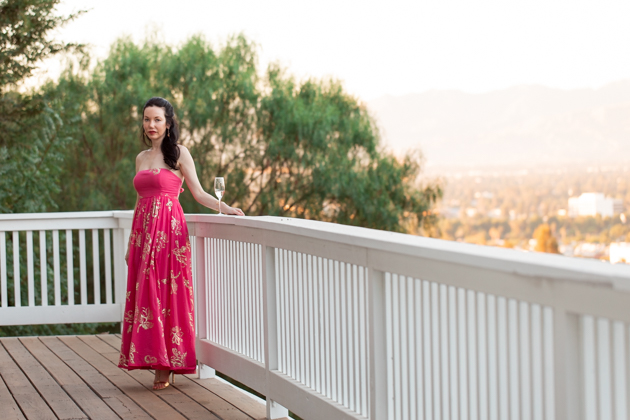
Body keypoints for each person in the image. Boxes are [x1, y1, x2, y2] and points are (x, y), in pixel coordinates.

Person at [118, 97, 244, 390]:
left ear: (169, 123)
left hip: (169, 231)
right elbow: (139, 200)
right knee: (146, 295)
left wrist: (227, 208)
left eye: (157, 120)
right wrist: (130, 244)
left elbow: (198, 193)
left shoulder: (179, 153)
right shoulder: (140, 158)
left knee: (166, 293)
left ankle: (166, 365)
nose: (151, 125)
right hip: (143, 233)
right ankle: (152, 356)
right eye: (147, 119)